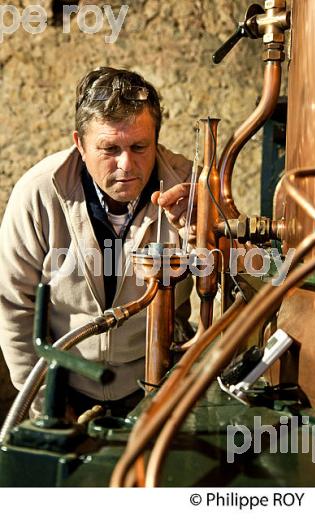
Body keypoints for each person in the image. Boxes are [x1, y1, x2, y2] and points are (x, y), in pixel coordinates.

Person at [0, 66, 196, 419]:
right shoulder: (39, 193)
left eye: (140, 146)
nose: (126, 164)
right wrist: (46, 403)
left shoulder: (189, 189)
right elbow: (14, 305)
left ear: (157, 139)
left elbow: (244, 284)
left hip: (161, 385)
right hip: (64, 384)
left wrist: (201, 235)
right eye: (109, 148)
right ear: (80, 144)